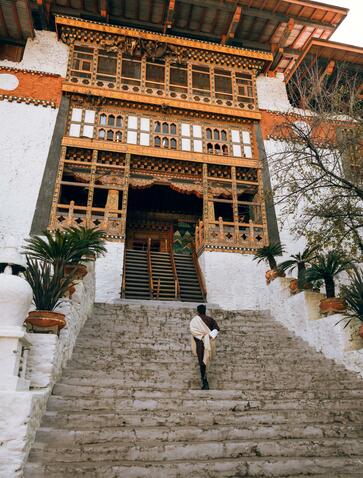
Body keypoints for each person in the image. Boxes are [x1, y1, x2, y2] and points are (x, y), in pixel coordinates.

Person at [190, 304, 220, 390]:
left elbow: (193, 332)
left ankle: (204, 382)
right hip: (209, 343)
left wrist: (202, 337)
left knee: (202, 362)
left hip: (200, 344)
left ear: (198, 311)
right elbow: (216, 329)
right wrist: (209, 336)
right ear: (205, 310)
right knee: (207, 361)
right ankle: (205, 381)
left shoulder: (194, 321)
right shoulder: (210, 320)